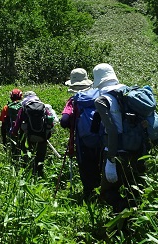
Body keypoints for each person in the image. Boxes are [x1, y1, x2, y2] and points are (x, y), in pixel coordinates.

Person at [91, 63, 147, 213]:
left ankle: (121, 219)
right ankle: (132, 224)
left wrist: (110, 160)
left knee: (106, 192)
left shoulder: (102, 100)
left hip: (118, 153)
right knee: (134, 191)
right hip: (138, 150)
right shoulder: (128, 92)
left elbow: (112, 131)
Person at [60, 67, 104, 203]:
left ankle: (89, 197)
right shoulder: (99, 96)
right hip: (102, 139)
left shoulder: (73, 101)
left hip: (83, 141)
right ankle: (103, 195)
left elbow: (64, 121)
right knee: (101, 166)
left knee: (87, 169)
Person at [17, 90, 58, 176]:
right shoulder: (43, 107)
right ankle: (40, 172)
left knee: (29, 154)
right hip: (43, 136)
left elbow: (18, 123)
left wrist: (13, 132)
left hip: (29, 136)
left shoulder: (24, 108)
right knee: (41, 155)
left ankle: (29, 172)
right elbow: (51, 122)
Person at [0, 89, 24, 164]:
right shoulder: (23, 107)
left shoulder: (6, 107)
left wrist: (4, 140)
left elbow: (3, 124)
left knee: (13, 149)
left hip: (11, 131)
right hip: (22, 131)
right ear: (20, 97)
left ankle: (14, 162)